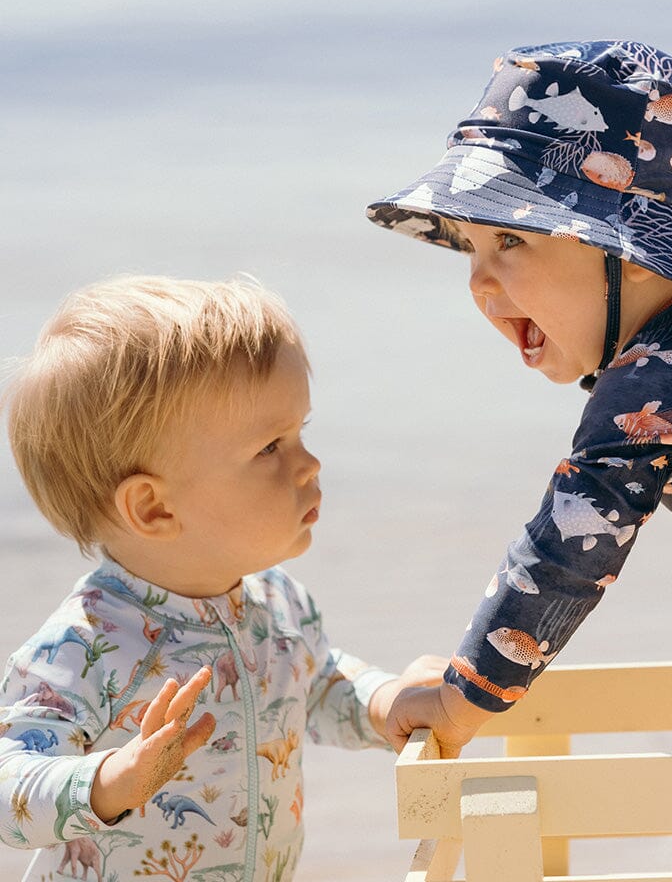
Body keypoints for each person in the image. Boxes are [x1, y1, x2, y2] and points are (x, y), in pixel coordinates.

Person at [366, 40, 672, 866]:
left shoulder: (654, 385)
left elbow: (565, 552)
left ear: (629, 250)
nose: (478, 284)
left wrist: (463, 701)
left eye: (513, 244)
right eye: (473, 249)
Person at [0, 274, 444, 881]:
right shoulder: (87, 644)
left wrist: (385, 701)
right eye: (269, 448)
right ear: (155, 509)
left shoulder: (277, 601)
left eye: (299, 434)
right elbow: (10, 786)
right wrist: (106, 782)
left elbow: (313, 687)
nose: (309, 464)